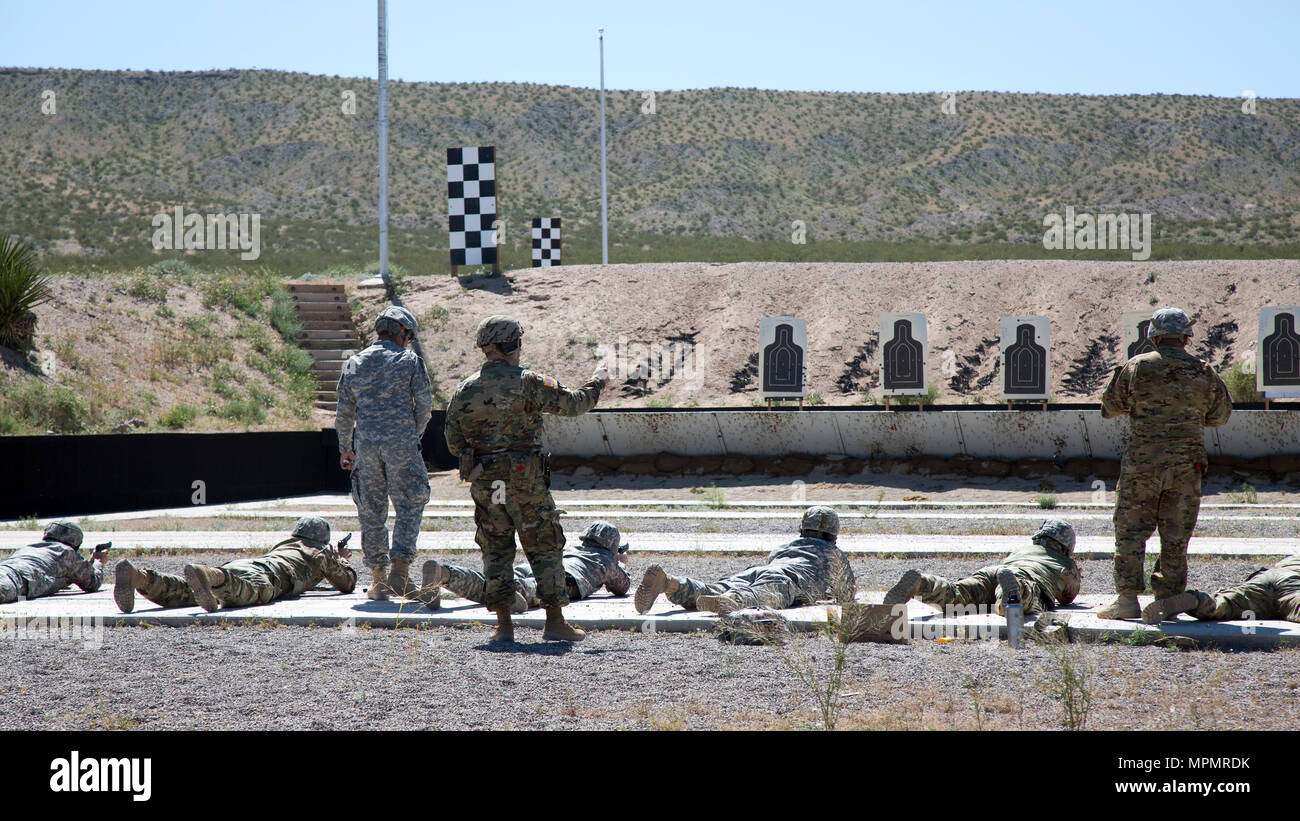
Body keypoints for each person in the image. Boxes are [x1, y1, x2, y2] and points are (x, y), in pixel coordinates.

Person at [444, 315, 609, 642]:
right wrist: (597, 382)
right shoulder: (530, 382)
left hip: (489, 485)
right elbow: (575, 404)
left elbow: (453, 442)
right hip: (526, 481)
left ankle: (504, 627)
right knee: (545, 546)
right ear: (511, 345)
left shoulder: (465, 390)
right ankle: (554, 622)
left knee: (495, 549)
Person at [1096, 307, 1232, 620]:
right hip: (1187, 467)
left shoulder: (1137, 366)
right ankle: (1169, 597)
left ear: (1154, 336)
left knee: (1131, 531)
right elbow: (1220, 416)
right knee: (1175, 534)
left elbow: (1109, 406)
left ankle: (1128, 600)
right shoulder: (1204, 371)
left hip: (1143, 465)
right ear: (1186, 337)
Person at [335, 305, 433, 602]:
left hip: (365, 447)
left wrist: (345, 448)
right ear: (402, 332)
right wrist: (411, 436)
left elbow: (344, 414)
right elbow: (425, 407)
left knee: (371, 511)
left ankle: (378, 581)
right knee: (410, 503)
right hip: (401, 445)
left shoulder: (355, 362)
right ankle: (400, 575)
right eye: (409, 336)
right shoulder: (409, 361)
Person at [633, 506, 853, 615]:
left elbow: (772, 563)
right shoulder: (834, 554)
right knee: (761, 595)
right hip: (789, 578)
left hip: (758, 570)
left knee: (714, 587)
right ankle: (731, 601)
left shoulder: (784, 547)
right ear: (833, 533)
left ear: (802, 528)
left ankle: (671, 583)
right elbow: (846, 592)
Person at [112, 517, 355, 613]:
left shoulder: (285, 545)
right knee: (255, 592)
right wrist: (339, 557)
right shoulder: (319, 552)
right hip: (265, 576)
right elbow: (347, 582)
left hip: (246, 564)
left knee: (186, 592)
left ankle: (139, 577)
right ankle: (207, 575)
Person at [420, 521, 630, 622]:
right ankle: (511, 595)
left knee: (494, 581)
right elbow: (621, 587)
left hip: (537, 565)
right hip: (564, 580)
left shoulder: (572, 548)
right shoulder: (605, 560)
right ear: (611, 546)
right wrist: (619, 561)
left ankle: (446, 573)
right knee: (526, 589)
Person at [884, 519, 1081, 616]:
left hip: (994, 571)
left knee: (956, 594)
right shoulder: (1065, 564)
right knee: (1028, 594)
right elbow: (1067, 597)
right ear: (1066, 546)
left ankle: (921, 583)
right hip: (1024, 576)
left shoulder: (1023, 549)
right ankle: (1010, 595)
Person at [1142, 553, 1300, 625]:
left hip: (1265, 578)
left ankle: (1198, 601)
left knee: (1223, 604)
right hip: (1293, 583)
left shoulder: (1293, 557)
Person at [0, 521, 108, 603]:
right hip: (15, 581)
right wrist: (99, 562)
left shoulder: (29, 548)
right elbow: (92, 583)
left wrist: (87, 565)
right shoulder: (66, 553)